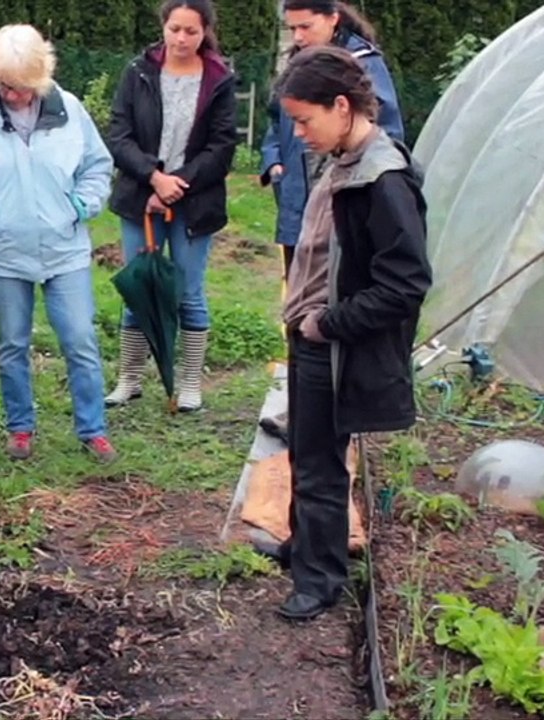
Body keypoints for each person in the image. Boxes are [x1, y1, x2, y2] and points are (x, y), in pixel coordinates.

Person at [267, 45, 431, 621]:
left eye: (304, 120)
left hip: (330, 341)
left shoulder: (382, 180)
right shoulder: (341, 158)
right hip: (310, 333)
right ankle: (307, 547)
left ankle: (319, 581)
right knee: (306, 451)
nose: (299, 133)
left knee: (321, 464)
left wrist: (327, 323)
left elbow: (406, 284)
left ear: (342, 106)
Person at [0, 24, 118, 463]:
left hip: (65, 249)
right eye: (5, 86)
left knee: (80, 339)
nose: (14, 96)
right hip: (4, 254)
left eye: (22, 87)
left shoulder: (70, 111)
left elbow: (97, 166)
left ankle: (93, 429)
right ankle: (20, 427)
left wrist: (82, 204)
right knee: (12, 343)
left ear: (41, 76)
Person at [105, 0, 238, 412]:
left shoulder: (219, 79)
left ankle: (190, 383)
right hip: (142, 197)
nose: (181, 38)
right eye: (174, 29)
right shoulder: (138, 72)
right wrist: (153, 178)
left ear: (205, 31)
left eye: (191, 31)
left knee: (189, 292)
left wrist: (178, 184)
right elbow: (119, 134)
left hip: (195, 202)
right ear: (163, 27)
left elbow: (222, 145)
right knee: (139, 286)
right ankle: (129, 379)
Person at [259, 0, 404, 276]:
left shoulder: (363, 64)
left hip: (344, 198)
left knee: (338, 279)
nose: (298, 37)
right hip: (296, 198)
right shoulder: (296, 63)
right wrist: (273, 160)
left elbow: (387, 133)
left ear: (332, 18)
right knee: (298, 282)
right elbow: (277, 118)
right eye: (292, 28)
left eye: (305, 27)